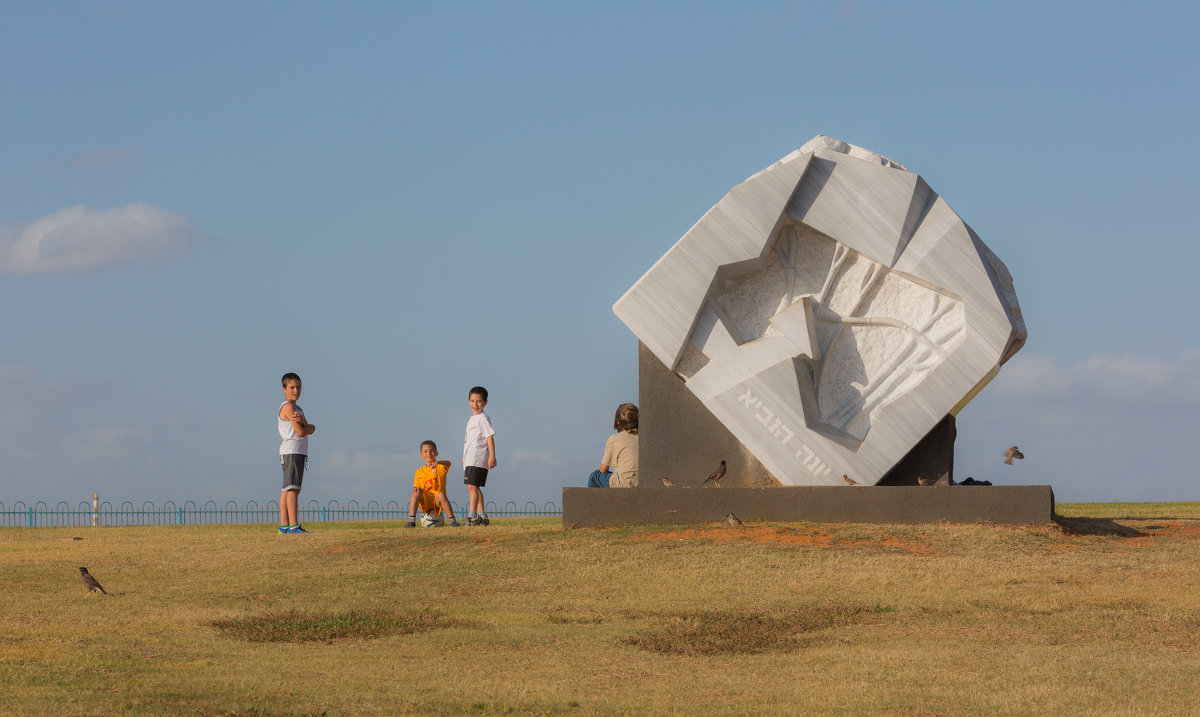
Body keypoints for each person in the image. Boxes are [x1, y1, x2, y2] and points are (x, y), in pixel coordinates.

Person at [278, 372, 316, 534]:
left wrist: (309, 427)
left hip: (296, 451)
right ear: (284, 389)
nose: (296, 391)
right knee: (292, 488)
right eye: (292, 387)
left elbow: (308, 427)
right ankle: (293, 525)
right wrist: (310, 427)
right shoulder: (288, 407)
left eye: (298, 387)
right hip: (292, 451)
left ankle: (285, 526)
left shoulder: (297, 408)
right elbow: (302, 431)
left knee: (289, 488)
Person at [462, 386, 496, 526]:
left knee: (471, 486)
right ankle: (481, 515)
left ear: (485, 402)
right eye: (472, 401)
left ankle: (472, 515)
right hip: (470, 458)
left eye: (479, 401)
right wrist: (464, 457)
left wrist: (492, 455)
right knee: (475, 487)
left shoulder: (482, 418)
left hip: (478, 457)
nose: (475, 405)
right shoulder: (472, 419)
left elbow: (489, 437)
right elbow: (469, 440)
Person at [407, 440, 460, 528]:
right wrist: (418, 489)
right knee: (415, 493)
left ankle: (453, 521)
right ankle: (411, 521)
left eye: (431, 451)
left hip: (437, 501)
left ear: (436, 453)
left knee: (441, 495)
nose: (429, 453)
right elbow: (417, 487)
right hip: (425, 501)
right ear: (421, 455)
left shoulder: (440, 467)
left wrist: (439, 462)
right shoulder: (419, 471)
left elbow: (449, 463)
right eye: (425, 451)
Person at [588, 403, 638, 488]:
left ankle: (593, 501)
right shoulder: (644, 439)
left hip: (624, 484)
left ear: (618, 423)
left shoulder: (614, 439)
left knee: (594, 476)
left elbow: (603, 469)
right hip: (642, 483)